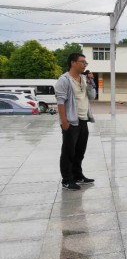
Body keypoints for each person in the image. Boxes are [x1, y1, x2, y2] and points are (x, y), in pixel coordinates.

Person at [55, 52, 96, 190]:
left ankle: (78, 176)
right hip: (71, 121)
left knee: (80, 150)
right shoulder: (64, 80)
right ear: (73, 63)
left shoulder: (84, 78)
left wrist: (90, 81)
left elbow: (92, 96)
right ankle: (67, 180)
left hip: (83, 119)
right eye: (82, 62)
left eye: (85, 62)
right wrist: (64, 121)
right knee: (68, 152)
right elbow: (60, 102)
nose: (85, 65)